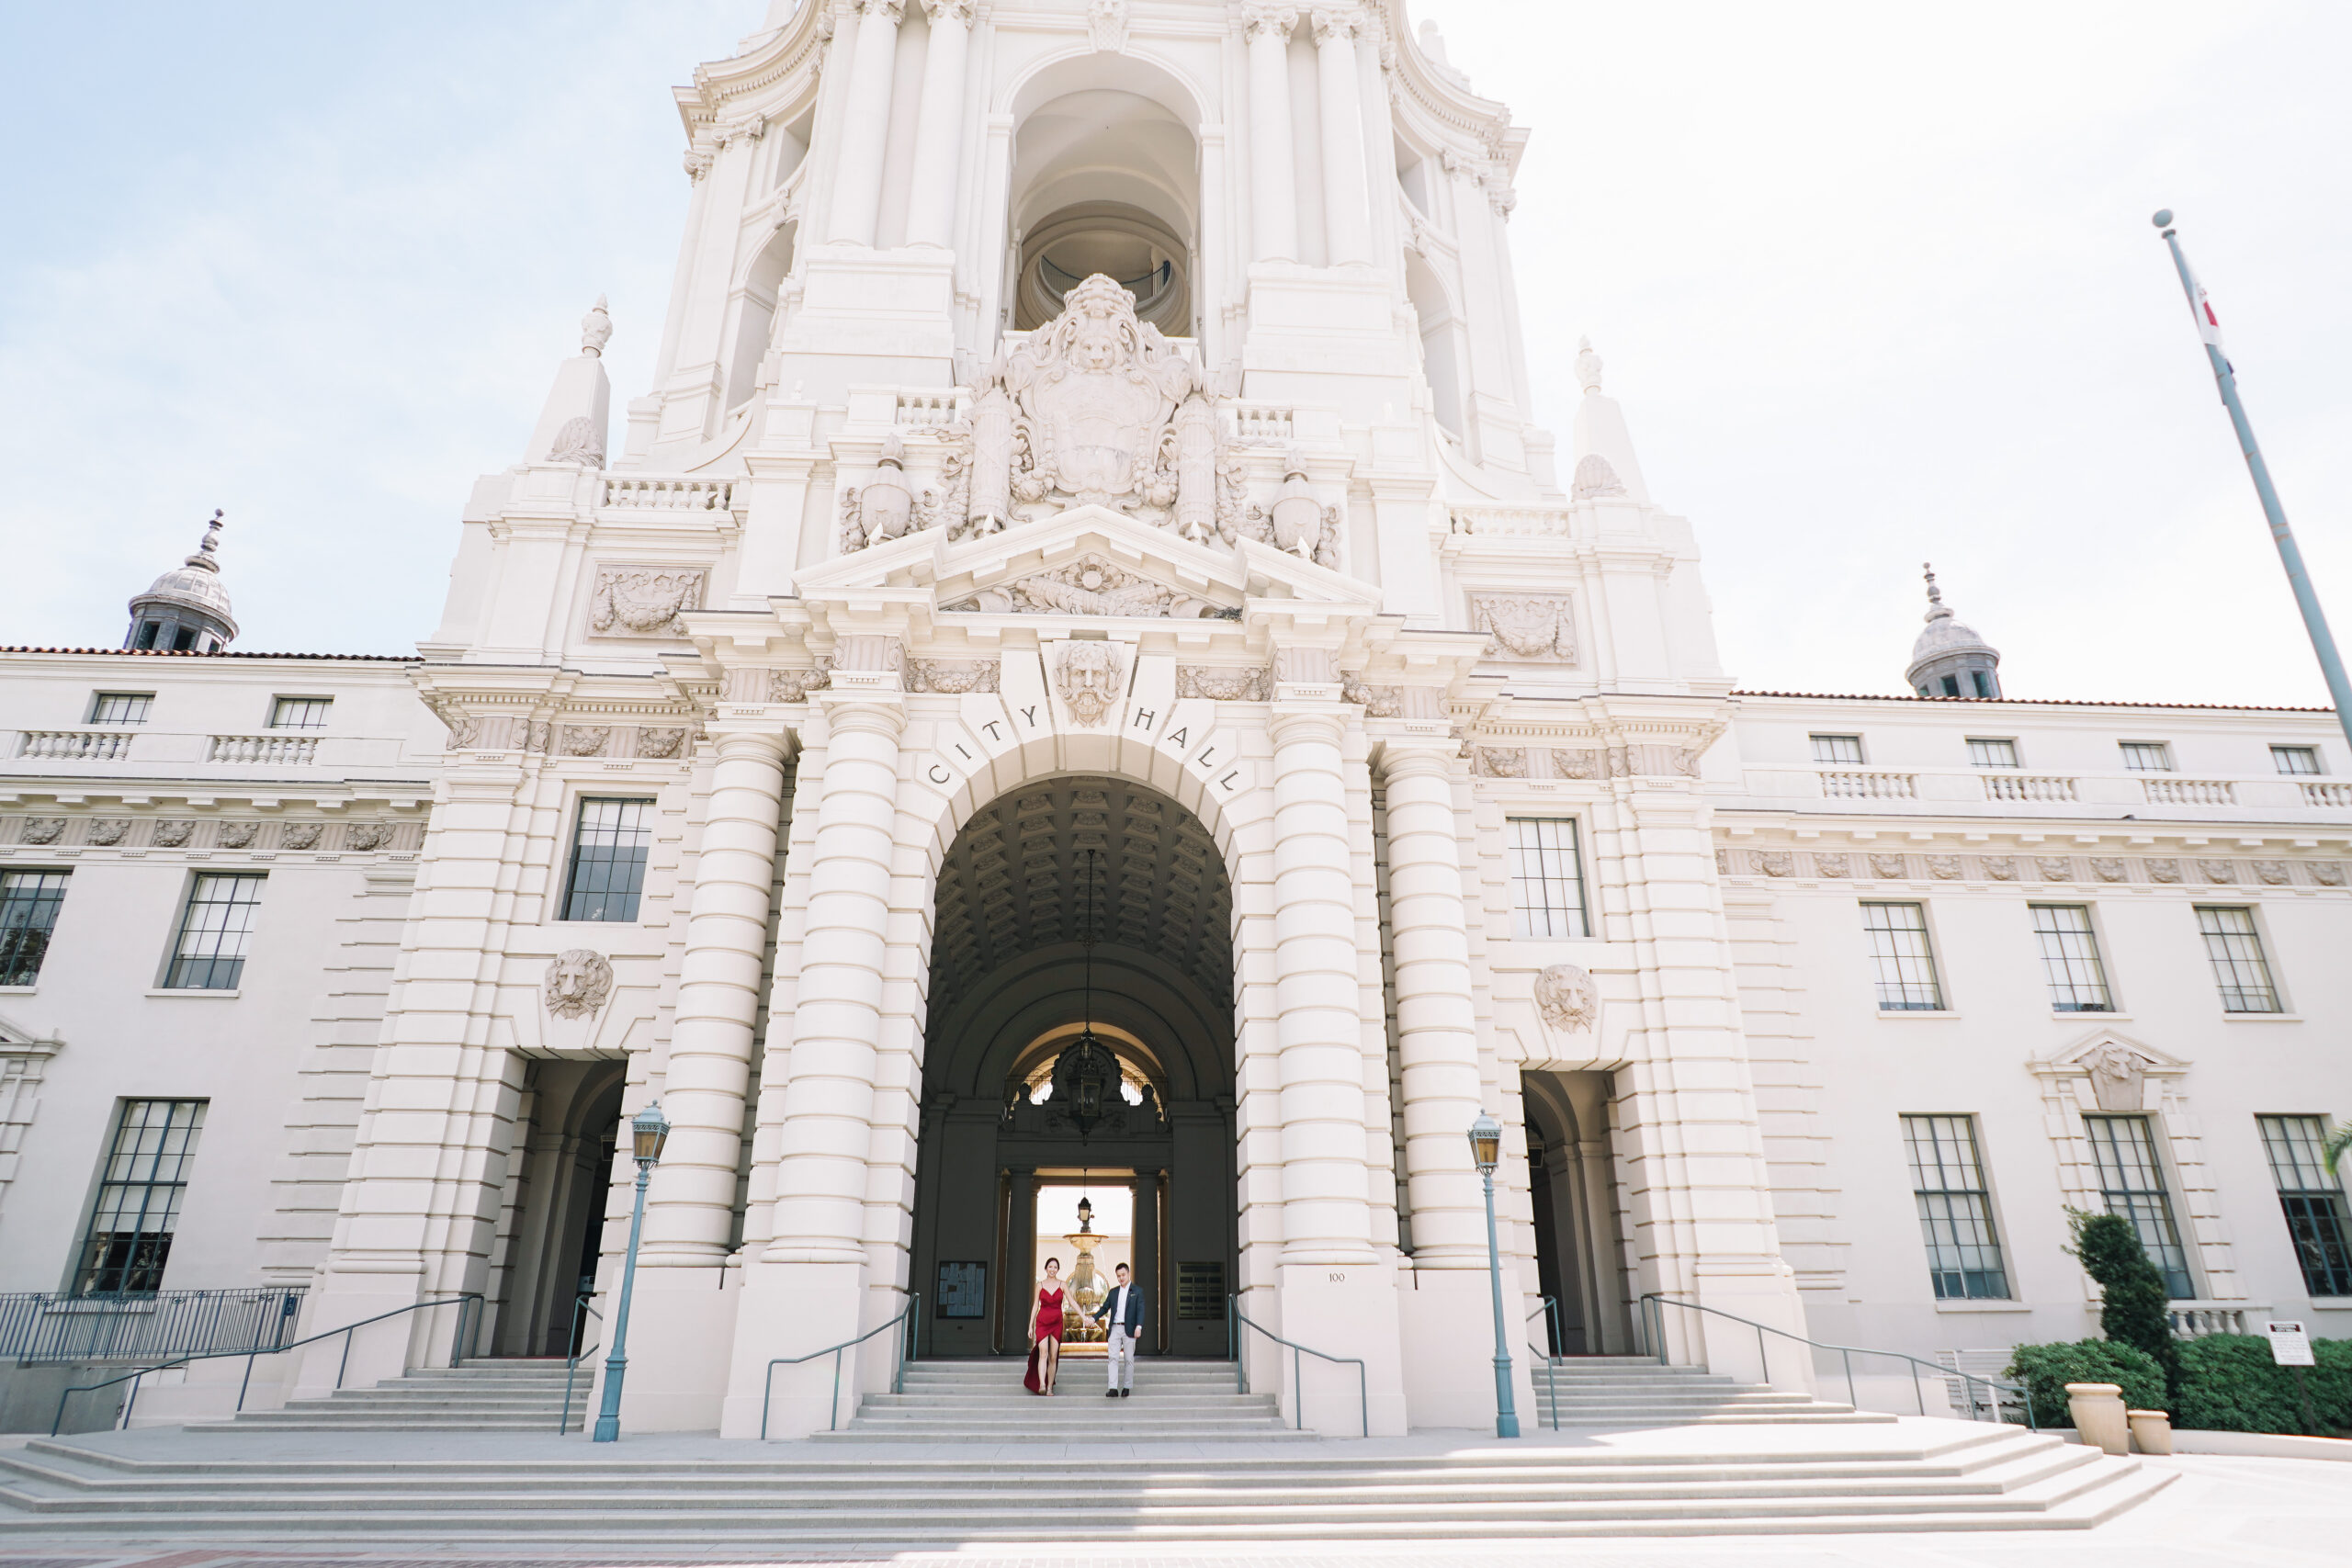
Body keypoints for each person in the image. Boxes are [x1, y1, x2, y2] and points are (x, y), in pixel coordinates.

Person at [1091, 1261, 1144, 1397]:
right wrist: (1093, 1318)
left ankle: (1127, 1386)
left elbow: (1140, 1310)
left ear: (1128, 1274)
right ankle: (1113, 1388)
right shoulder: (1113, 1292)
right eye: (1118, 1276)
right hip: (1115, 1328)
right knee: (1112, 1358)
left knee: (1129, 1359)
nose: (1121, 1278)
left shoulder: (1137, 1291)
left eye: (1123, 1275)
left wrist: (1139, 1326)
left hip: (1130, 1329)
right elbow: (1104, 1308)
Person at [1023, 1257, 1066, 1395]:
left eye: (1055, 1267)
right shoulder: (1040, 1285)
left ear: (1058, 1270)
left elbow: (1072, 1302)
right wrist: (1030, 1325)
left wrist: (1084, 1317)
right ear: (1046, 1268)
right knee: (1043, 1353)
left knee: (1053, 1356)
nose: (1052, 1269)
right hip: (1042, 1322)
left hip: (1057, 1323)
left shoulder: (1062, 1284)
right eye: (1050, 1267)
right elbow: (1035, 1305)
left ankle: (1049, 1388)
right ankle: (1042, 1384)